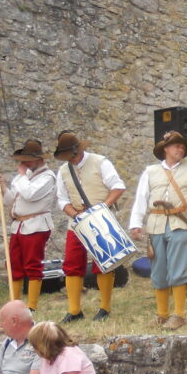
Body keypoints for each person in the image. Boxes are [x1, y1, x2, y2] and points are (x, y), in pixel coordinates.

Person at [129, 131, 187, 330]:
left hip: (179, 223)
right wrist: (136, 223)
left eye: (183, 147)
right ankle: (162, 314)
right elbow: (141, 198)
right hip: (155, 224)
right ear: (166, 149)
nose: (180, 149)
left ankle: (179, 315)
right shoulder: (150, 171)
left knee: (178, 268)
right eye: (176, 146)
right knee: (159, 269)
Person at [54, 130, 126, 323]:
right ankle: (74, 310)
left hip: (100, 219)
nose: (72, 160)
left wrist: (102, 207)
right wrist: (73, 213)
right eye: (68, 157)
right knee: (72, 265)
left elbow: (118, 187)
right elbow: (61, 199)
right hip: (76, 222)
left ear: (79, 150)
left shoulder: (100, 162)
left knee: (104, 263)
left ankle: (105, 307)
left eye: (73, 155)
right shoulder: (63, 171)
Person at [0, 138, 55, 311]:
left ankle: (31, 306)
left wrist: (22, 176)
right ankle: (14, 303)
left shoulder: (48, 177)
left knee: (32, 265)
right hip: (19, 225)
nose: (24, 163)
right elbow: (11, 201)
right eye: (23, 160)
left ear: (38, 159)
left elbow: (30, 194)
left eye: (28, 160)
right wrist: (2, 186)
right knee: (14, 264)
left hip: (36, 225)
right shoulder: (23, 177)